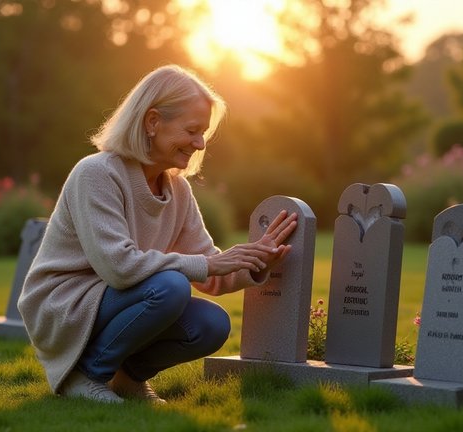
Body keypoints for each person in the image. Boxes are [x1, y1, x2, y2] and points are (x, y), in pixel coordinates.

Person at [18, 64, 298, 404]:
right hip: (66, 304)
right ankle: (86, 375)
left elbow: (212, 273)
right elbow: (119, 268)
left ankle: (128, 378)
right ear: (152, 122)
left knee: (212, 324)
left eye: (203, 134)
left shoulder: (177, 190)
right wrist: (210, 265)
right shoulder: (96, 173)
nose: (199, 143)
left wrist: (255, 260)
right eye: (193, 130)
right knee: (170, 287)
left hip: (119, 296)